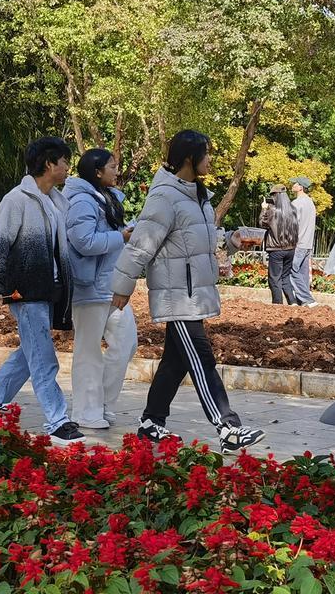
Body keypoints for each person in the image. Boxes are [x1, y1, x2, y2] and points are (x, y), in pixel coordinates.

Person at [111, 130, 265, 453]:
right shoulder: (164, 197)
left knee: (175, 362)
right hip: (176, 296)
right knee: (201, 358)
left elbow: (201, 241)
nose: (210, 160)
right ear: (188, 159)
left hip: (192, 296)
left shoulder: (198, 195)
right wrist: (121, 286)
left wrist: (231, 242)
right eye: (205, 154)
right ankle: (227, 426)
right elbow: (140, 245)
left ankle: (151, 421)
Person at [0, 137, 88, 447]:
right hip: (25, 291)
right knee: (44, 358)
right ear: (49, 164)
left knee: (29, 353)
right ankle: (57, 419)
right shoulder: (16, 199)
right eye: (64, 162)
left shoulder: (57, 201)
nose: (67, 168)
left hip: (50, 289)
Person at [65, 149, 137, 429]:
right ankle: (85, 411)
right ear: (97, 171)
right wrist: (120, 236)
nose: (116, 171)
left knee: (126, 343)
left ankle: (103, 403)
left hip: (112, 285)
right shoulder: (81, 201)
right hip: (89, 286)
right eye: (112, 166)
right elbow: (83, 241)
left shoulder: (106, 197)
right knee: (88, 350)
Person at [260, 185, 299, 304]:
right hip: (291, 249)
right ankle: (293, 303)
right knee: (285, 277)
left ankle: (277, 305)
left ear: (275, 195)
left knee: (274, 279)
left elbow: (262, 223)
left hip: (276, 249)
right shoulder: (293, 210)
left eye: (272, 195)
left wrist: (264, 209)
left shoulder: (272, 211)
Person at [289, 176, 319, 307]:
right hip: (308, 243)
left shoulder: (296, 203)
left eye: (294, 184)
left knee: (291, 270)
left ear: (300, 187)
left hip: (298, 243)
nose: (292, 185)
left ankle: (308, 300)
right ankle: (303, 302)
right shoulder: (310, 203)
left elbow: (291, 224)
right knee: (303, 273)